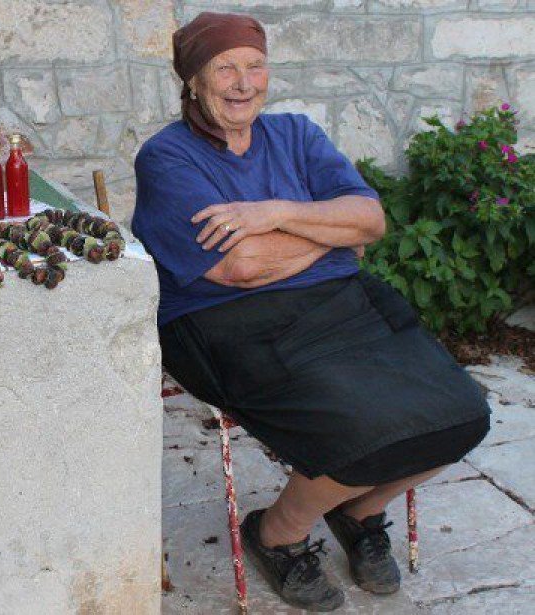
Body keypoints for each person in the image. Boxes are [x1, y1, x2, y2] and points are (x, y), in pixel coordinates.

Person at [132, 12, 491, 612]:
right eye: (225, 68)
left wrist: (272, 212)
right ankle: (277, 532)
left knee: (463, 417)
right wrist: (330, 232)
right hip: (228, 324)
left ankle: (359, 511)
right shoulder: (168, 157)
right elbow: (239, 268)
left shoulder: (296, 134)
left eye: (254, 65)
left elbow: (371, 221)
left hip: (339, 306)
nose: (243, 82)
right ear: (193, 80)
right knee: (360, 438)